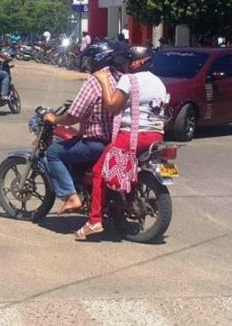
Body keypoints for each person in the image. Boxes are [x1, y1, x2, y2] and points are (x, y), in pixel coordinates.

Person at [75, 46, 169, 239]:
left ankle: (94, 221)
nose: (125, 65)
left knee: (99, 171)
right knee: (122, 165)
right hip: (156, 135)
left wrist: (102, 81)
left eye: (128, 61)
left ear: (136, 63)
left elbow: (111, 105)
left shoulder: (129, 79)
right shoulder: (159, 82)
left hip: (133, 135)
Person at [42, 40, 126, 215]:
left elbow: (73, 116)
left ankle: (70, 196)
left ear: (98, 59)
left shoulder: (94, 82)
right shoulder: (120, 78)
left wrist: (54, 118)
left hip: (96, 142)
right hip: (116, 139)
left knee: (53, 152)